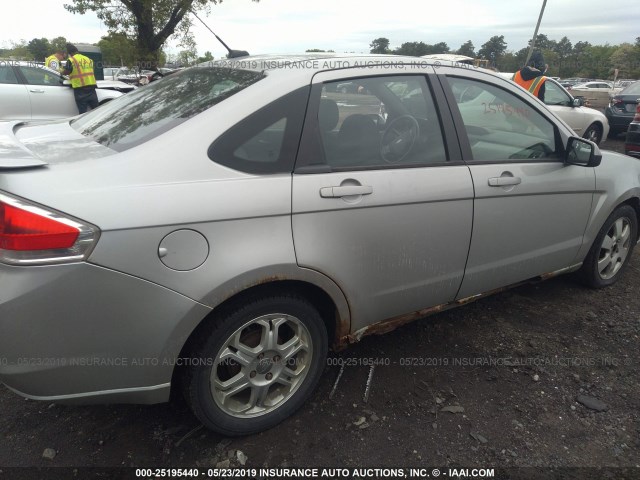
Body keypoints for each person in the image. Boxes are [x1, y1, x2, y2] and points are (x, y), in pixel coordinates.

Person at [62, 43, 98, 114]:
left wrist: (61, 72)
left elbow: (67, 72)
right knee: (96, 111)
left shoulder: (71, 60)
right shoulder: (88, 59)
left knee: (82, 113)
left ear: (70, 53)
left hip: (80, 89)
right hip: (92, 87)